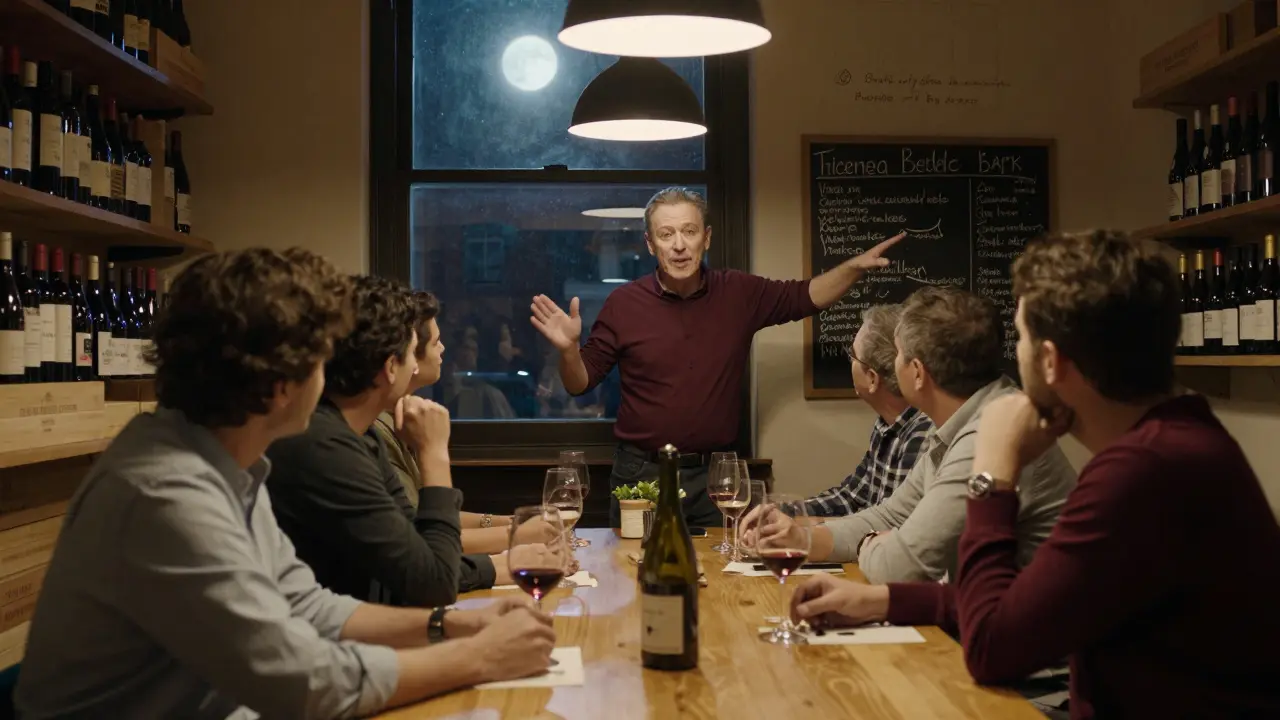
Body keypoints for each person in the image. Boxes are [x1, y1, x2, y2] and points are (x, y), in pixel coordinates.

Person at [14, 248, 556, 719]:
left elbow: (305, 604)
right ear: (279, 387)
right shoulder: (165, 493)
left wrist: (459, 627)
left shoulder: (220, 460)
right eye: (322, 358)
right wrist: (482, 656)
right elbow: (306, 683)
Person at [787, 231, 1280, 718]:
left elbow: (991, 648)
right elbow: (1028, 600)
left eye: (1020, 337)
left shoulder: (1143, 474)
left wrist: (993, 475)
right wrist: (883, 601)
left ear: (1050, 361)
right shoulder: (1176, 442)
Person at [530, 186, 904, 527]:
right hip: (641, 474)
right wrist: (567, 351)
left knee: (729, 577)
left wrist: (853, 269)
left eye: (689, 232)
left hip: (718, 476)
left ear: (706, 238)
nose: (679, 245)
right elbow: (579, 382)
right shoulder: (623, 304)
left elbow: (805, 295)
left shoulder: (738, 293)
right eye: (666, 234)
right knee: (635, 576)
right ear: (649, 244)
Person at [743, 286, 1076, 584]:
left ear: (916, 373)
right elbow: (889, 514)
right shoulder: (957, 419)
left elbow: (901, 566)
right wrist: (800, 538)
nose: (893, 363)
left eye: (899, 353)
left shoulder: (988, 433)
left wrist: (867, 543)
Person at [266, 275, 499, 605]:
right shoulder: (324, 445)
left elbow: (418, 545)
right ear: (392, 366)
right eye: (410, 352)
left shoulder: (365, 435)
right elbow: (433, 583)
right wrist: (434, 454)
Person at [370, 290, 563, 556]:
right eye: (436, 342)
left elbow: (434, 520)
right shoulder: (375, 431)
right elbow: (423, 543)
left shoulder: (398, 418)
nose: (444, 349)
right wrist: (516, 536)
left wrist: (512, 522)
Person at [801, 304, 933, 517]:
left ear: (872, 378)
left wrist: (807, 534)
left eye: (853, 356)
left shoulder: (923, 434)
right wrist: (785, 511)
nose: (849, 362)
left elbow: (893, 522)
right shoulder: (886, 424)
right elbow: (851, 497)